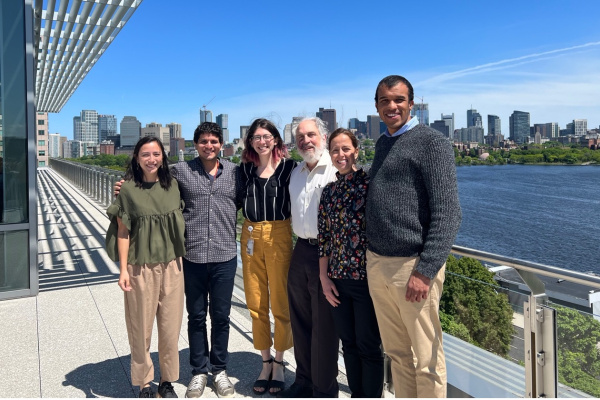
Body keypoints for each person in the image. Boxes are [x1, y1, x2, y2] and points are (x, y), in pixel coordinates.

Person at [114, 122, 242, 398]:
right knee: (194, 317)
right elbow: (140, 193)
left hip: (221, 256)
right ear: (194, 145)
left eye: (214, 141)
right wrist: (123, 186)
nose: (209, 145)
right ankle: (196, 372)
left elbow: (246, 200)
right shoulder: (180, 172)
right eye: (203, 141)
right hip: (191, 257)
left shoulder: (235, 172)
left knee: (219, 317)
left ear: (221, 143)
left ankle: (216, 371)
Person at [366, 75, 462, 398]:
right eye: (384, 101)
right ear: (377, 107)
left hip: (413, 267)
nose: (391, 106)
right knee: (397, 355)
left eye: (398, 100)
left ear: (411, 103)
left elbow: (448, 213)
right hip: (377, 264)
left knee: (427, 359)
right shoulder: (383, 143)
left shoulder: (432, 143)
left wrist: (426, 269)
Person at [106, 136, 186, 398]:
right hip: (140, 267)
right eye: (145, 155)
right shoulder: (127, 189)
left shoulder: (173, 185)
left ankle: (166, 380)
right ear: (137, 159)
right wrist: (123, 270)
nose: (152, 159)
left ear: (163, 156)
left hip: (173, 265)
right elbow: (123, 232)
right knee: (140, 327)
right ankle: (144, 383)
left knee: (170, 326)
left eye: (156, 154)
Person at [318, 128, 383, 398]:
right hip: (337, 279)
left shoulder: (370, 184)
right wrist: (324, 278)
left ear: (356, 150)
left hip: (368, 278)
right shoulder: (329, 192)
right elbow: (324, 238)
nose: (340, 154)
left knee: (369, 346)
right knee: (349, 344)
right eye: (335, 150)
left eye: (346, 149)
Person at [277, 117, 339, 398]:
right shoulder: (296, 172)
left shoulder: (335, 170)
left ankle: (324, 389)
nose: (306, 141)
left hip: (328, 253)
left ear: (323, 137)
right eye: (300, 137)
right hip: (300, 249)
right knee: (299, 320)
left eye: (311, 135)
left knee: (324, 327)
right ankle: (302, 381)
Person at [239, 118, 296, 395]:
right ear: (250, 142)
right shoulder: (245, 171)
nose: (262, 141)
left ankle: (280, 361)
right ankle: (265, 361)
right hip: (250, 235)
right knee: (255, 302)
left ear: (275, 139)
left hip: (279, 235)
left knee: (281, 303)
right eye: (256, 137)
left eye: (267, 136)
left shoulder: (290, 168)